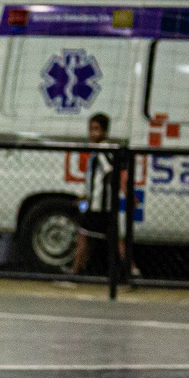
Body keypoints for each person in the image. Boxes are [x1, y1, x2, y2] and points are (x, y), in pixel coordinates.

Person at [70, 112, 139, 277]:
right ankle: (133, 271)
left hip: (98, 207)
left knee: (83, 239)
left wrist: (125, 192)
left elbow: (111, 174)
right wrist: (83, 196)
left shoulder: (101, 151)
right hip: (102, 205)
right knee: (116, 240)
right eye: (91, 129)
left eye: (96, 129)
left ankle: (74, 274)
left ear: (105, 132)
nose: (93, 133)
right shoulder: (101, 151)